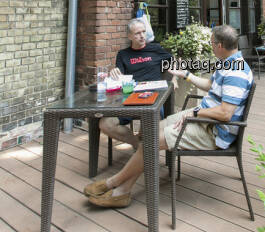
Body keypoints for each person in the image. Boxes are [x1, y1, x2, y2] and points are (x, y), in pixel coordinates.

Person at [84, 24, 253, 208]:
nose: (210, 46)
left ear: (220, 46)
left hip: (214, 130)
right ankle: (122, 191)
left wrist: (196, 112)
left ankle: (114, 185)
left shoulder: (236, 72)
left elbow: (225, 114)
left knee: (151, 140)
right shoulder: (229, 62)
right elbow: (210, 85)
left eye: (212, 43)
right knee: (149, 133)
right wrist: (186, 75)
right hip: (205, 119)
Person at [99, 18, 173, 149]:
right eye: (137, 33)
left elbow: (175, 65)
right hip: (129, 100)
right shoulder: (123, 55)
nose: (142, 35)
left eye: (144, 32)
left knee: (150, 122)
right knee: (105, 124)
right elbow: (120, 79)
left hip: (153, 100)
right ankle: (138, 145)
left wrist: (175, 80)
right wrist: (114, 73)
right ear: (129, 36)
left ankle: (143, 148)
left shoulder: (156, 49)